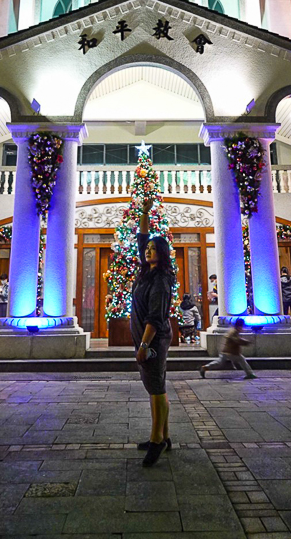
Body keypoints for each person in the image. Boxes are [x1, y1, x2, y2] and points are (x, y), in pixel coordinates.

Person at [131, 198, 174, 468]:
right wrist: (145, 213)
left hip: (153, 340)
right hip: (146, 338)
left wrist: (145, 345)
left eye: (153, 248)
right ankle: (164, 435)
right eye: (146, 249)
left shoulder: (160, 279)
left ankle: (156, 440)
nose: (147, 251)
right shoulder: (146, 272)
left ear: (163, 252)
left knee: (156, 387)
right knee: (156, 387)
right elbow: (141, 237)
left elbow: (155, 317)